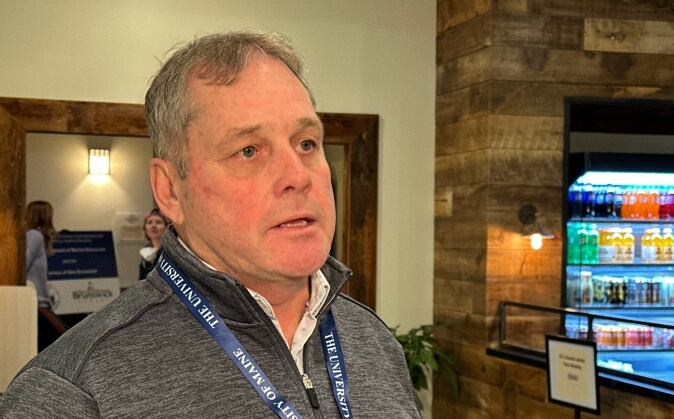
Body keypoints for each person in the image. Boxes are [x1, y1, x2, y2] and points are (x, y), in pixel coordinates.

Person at [1, 31, 419, 418]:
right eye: (249, 150)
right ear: (170, 192)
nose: (299, 175)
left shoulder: (373, 341)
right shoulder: (72, 391)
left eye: (306, 143)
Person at [24, 200, 68, 351]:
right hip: (36, 304)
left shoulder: (35, 236)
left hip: (39, 303)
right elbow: (24, 263)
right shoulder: (34, 236)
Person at [138, 208, 168, 280]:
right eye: (149, 222)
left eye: (158, 222)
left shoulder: (170, 250)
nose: (153, 226)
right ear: (145, 229)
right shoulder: (146, 251)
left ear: (166, 227)